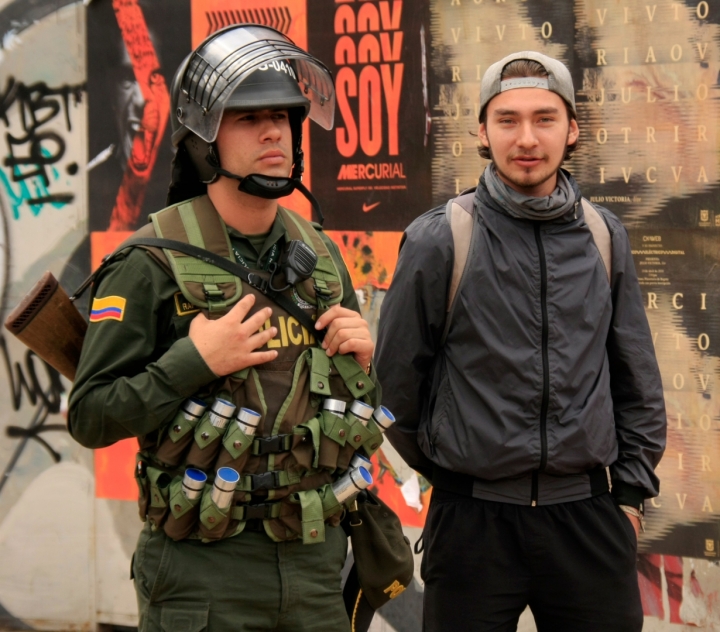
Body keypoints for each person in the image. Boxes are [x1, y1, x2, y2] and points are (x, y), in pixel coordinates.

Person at [69, 24, 381, 631]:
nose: (274, 132)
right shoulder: (148, 260)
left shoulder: (319, 252)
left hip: (315, 565)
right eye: (247, 118)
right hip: (202, 573)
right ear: (202, 143)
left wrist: (361, 363)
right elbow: (90, 415)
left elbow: (346, 413)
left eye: (285, 117)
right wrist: (195, 361)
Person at [375, 51, 667, 631]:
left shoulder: (603, 236)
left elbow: (637, 381)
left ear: (573, 129)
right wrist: (460, 481)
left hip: (588, 521)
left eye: (545, 118)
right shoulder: (441, 239)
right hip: (473, 527)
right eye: (507, 120)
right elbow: (393, 393)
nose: (526, 138)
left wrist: (628, 501)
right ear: (482, 132)